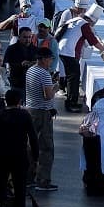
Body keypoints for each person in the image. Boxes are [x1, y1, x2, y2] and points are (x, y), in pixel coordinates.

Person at [55, 4, 104, 113]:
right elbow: (93, 41)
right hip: (70, 52)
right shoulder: (84, 25)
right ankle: (72, 103)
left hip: (62, 50)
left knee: (71, 77)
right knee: (74, 78)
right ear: (92, 20)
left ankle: (70, 101)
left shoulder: (75, 20)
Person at [26, 47, 58, 194]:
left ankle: (28, 177)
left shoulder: (30, 70)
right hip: (43, 113)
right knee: (46, 147)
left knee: (30, 145)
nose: (51, 61)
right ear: (44, 59)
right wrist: (55, 88)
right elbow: (48, 95)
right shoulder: (44, 74)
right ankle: (43, 180)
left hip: (31, 110)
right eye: (50, 59)